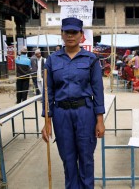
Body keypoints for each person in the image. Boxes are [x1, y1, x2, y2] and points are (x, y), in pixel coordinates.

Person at [41, 17, 105, 189]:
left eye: (74, 32)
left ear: (81, 35)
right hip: (61, 114)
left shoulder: (91, 59)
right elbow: (48, 92)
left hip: (85, 112)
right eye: (66, 32)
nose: (70, 36)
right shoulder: (52, 60)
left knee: (86, 156)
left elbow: (98, 90)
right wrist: (47, 121)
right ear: (61, 34)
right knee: (68, 158)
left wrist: (100, 120)